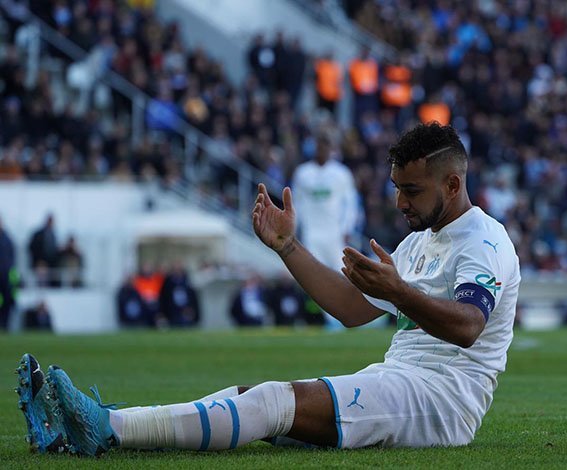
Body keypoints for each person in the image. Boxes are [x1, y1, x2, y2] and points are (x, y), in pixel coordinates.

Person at [23, 122, 520, 456]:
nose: (399, 202)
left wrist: (400, 293)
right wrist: (288, 247)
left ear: (452, 185)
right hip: (401, 380)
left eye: (411, 190)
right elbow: (350, 308)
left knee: (272, 403)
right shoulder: (418, 242)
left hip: (442, 401)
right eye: (396, 188)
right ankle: (102, 424)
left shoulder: (484, 241)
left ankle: (108, 430)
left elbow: (469, 327)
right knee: (250, 399)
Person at [292, 131, 359, 330]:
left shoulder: (341, 173)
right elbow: (296, 203)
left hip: (334, 233)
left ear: (331, 149)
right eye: (319, 146)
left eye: (325, 146)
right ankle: (328, 319)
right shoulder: (303, 173)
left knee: (341, 273)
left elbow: (351, 203)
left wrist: (347, 227)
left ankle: (346, 314)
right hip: (312, 233)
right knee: (315, 277)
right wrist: (295, 229)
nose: (322, 150)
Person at [28, 213, 59, 287]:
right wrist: (39, 260)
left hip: (50, 264)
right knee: (40, 281)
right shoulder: (38, 234)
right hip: (40, 263)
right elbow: (31, 247)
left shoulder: (53, 235)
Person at [0, 216, 16, 331]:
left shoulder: (8, 239)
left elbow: (12, 260)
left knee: (7, 301)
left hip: (5, 276)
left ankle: (5, 325)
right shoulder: (8, 239)